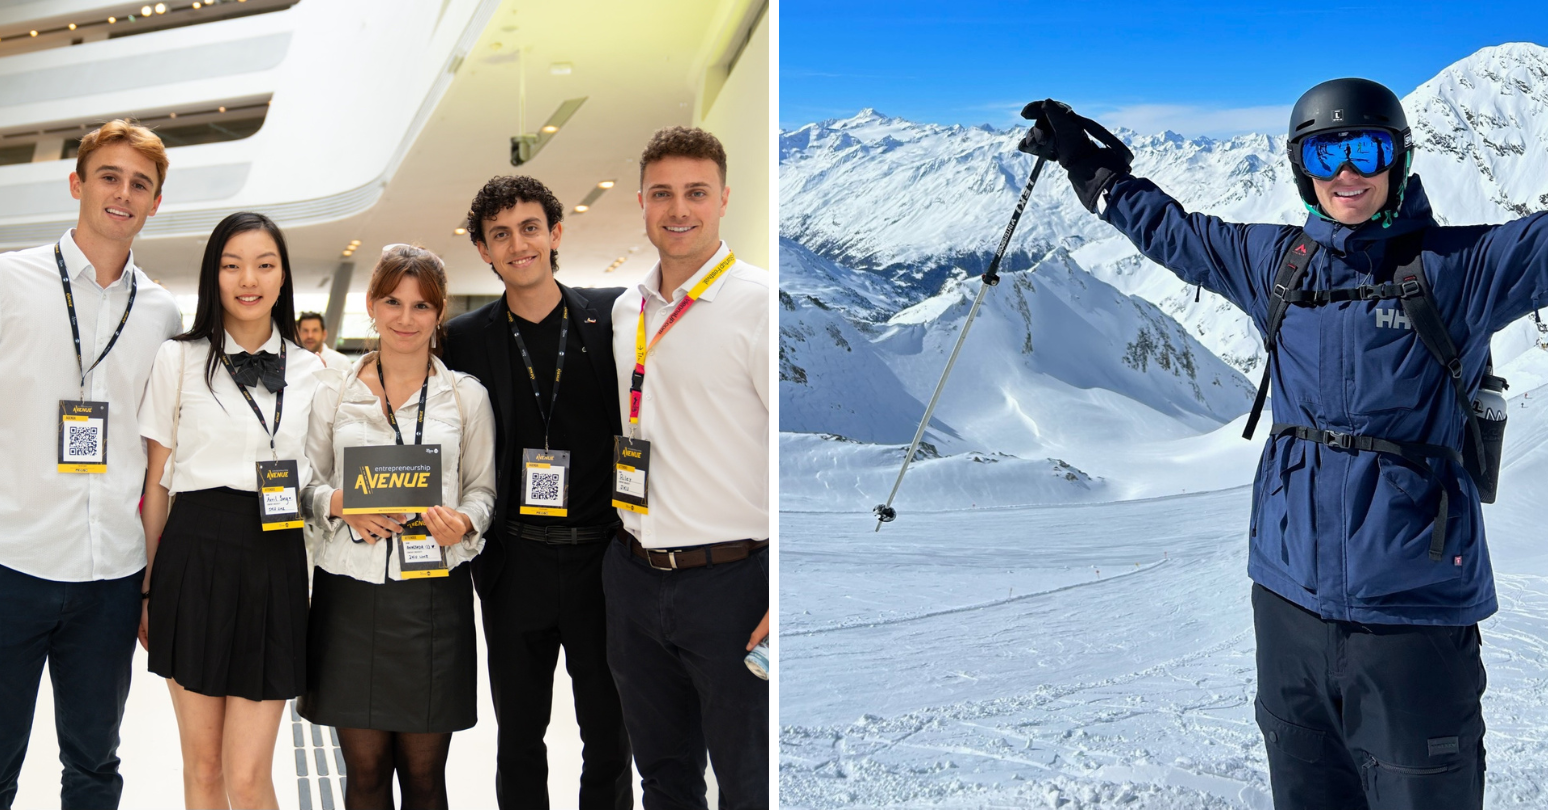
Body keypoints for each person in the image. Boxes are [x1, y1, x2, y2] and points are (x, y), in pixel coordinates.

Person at [1019, 79, 1548, 809]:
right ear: (1303, 166)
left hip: (1413, 619)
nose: (1347, 173)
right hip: (1287, 607)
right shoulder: (1279, 264)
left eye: (1367, 148)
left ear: (1397, 157)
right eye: (1325, 152)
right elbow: (1176, 234)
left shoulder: (1461, 269)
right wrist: (1090, 168)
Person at [0, 120, 183, 810]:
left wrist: (148, 586)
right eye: (109, 176)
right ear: (77, 183)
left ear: (155, 203)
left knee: (95, 765)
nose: (123, 193)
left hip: (111, 578)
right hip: (12, 565)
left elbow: (163, 452)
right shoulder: (10, 281)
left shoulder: (162, 313)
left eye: (141, 184)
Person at [443, 176, 633, 809]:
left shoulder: (608, 317)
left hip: (601, 563)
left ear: (555, 233)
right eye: (500, 235)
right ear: (483, 250)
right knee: (519, 735)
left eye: (529, 228)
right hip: (514, 563)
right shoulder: (465, 337)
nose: (517, 244)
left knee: (609, 734)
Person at [298, 244, 495, 810]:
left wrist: (464, 521)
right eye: (393, 302)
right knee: (361, 774)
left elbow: (483, 490)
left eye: (422, 306)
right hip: (349, 598)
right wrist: (338, 502)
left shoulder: (466, 396)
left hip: (433, 601)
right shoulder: (333, 394)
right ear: (371, 305)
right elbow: (301, 484)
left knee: (425, 777)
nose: (406, 319)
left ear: (439, 314)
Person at [606, 127, 769, 809]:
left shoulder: (758, 306)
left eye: (696, 193)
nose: (679, 209)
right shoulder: (625, 311)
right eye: (664, 193)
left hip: (733, 587)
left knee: (748, 783)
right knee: (664, 781)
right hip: (636, 579)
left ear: (724, 199)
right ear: (642, 203)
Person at [138, 212, 325, 809]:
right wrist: (147, 586)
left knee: (249, 776)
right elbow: (157, 484)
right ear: (213, 275)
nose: (249, 279)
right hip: (192, 558)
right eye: (232, 264)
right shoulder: (178, 359)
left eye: (265, 264)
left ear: (282, 276)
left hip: (276, 560)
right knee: (205, 767)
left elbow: (320, 482)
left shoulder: (314, 371)